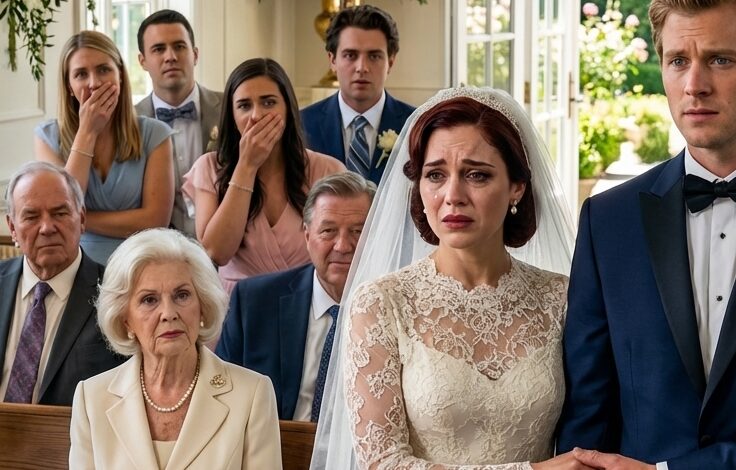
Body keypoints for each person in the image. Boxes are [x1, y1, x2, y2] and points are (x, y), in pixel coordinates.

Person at [310, 87, 581, 470]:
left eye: (477, 175)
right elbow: (383, 463)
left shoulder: (560, 298)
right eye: (435, 175)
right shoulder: (381, 304)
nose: (453, 195)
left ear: (517, 187)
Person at [556, 1, 736, 469]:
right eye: (678, 61)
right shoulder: (608, 222)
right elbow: (588, 416)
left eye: (720, 59)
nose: (694, 84)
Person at [69, 228, 281, 469]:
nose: (168, 313)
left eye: (182, 295)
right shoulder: (92, 398)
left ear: (203, 306)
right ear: (125, 319)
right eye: (149, 300)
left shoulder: (252, 394)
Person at [216, 171, 375, 421]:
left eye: (357, 231)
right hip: (272, 442)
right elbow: (220, 395)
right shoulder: (254, 303)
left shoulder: (397, 308)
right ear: (307, 235)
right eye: (328, 231)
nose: (343, 246)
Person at [183, 58, 344, 293]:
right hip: (239, 302)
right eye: (244, 106)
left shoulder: (328, 170)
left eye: (268, 102)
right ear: (231, 115)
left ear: (288, 108)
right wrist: (246, 166)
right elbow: (216, 252)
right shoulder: (209, 167)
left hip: (307, 298)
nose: (256, 116)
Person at [34, 30, 174, 265]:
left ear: (120, 75)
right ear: (69, 86)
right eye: (81, 74)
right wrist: (87, 132)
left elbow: (155, 221)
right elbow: (63, 203)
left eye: (103, 70)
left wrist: (78, 220)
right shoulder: (47, 137)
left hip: (140, 262)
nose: (94, 83)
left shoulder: (155, 134)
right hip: (74, 263)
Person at [1, 162, 124, 406]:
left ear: (82, 218)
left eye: (60, 213)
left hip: (71, 430)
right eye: (31, 216)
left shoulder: (116, 293)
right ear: (12, 228)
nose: (47, 228)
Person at [301, 4, 415, 185]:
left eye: (374, 56)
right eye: (350, 55)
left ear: (391, 62)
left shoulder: (415, 124)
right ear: (332, 60)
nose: (362, 68)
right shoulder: (303, 124)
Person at [135, 9, 223, 237]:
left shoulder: (231, 109)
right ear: (142, 61)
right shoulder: (128, 123)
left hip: (226, 247)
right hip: (157, 246)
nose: (170, 56)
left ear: (195, 54)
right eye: (158, 49)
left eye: (179, 46)